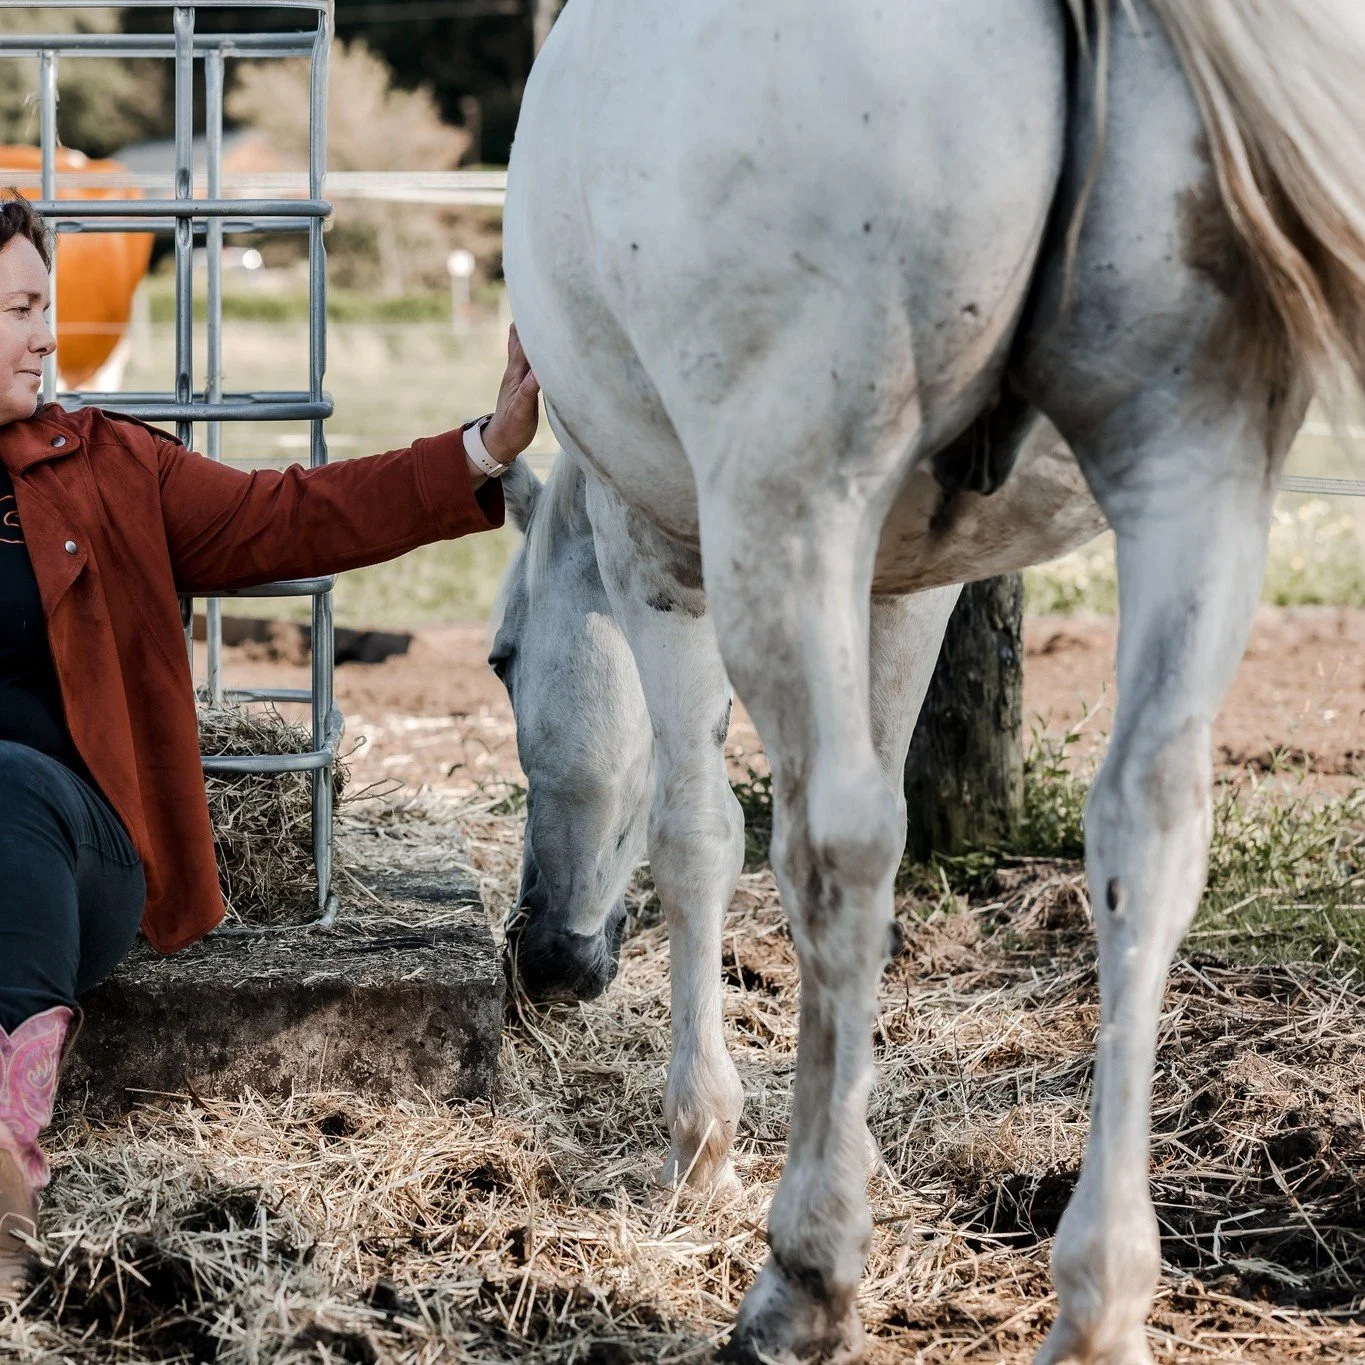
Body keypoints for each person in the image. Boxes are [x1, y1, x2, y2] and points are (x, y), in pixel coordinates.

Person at [0, 194, 541, 1297]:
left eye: (43, 307)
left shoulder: (107, 466)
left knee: (4, 788)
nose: (48, 335)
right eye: (19, 309)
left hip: (68, 850)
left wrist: (480, 450)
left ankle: (4, 1182)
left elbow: (288, 515)